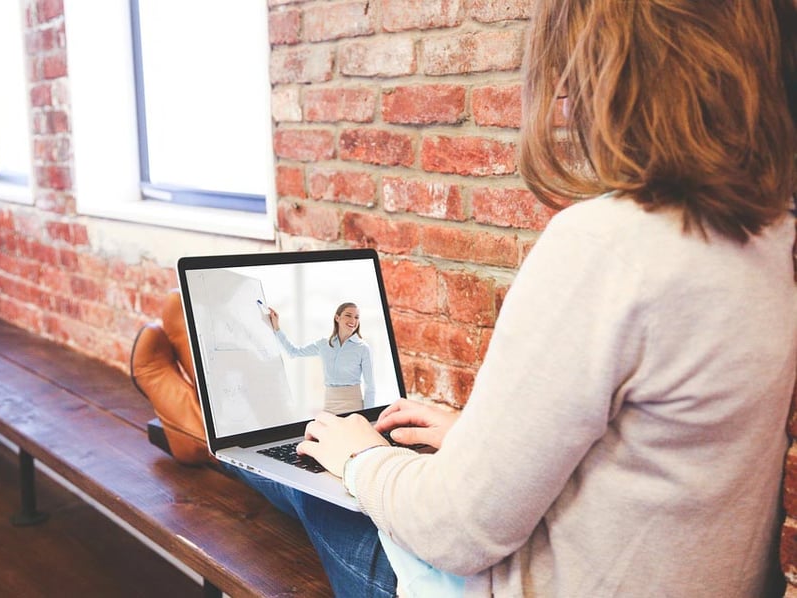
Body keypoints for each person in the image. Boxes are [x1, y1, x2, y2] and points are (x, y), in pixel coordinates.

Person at [132, 0, 797, 594]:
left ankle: (198, 423)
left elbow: (458, 534)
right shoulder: (775, 233)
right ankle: (212, 422)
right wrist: (478, 444)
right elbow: (661, 451)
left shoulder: (609, 245)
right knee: (333, 437)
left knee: (320, 473)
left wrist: (363, 459)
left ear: (605, 66)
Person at [267, 302, 375, 413]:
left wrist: (368, 415)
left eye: (356, 317)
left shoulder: (363, 348)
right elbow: (293, 352)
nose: (353, 320)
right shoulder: (324, 344)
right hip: (330, 405)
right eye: (348, 315)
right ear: (337, 318)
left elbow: (370, 387)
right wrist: (277, 328)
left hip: (354, 406)